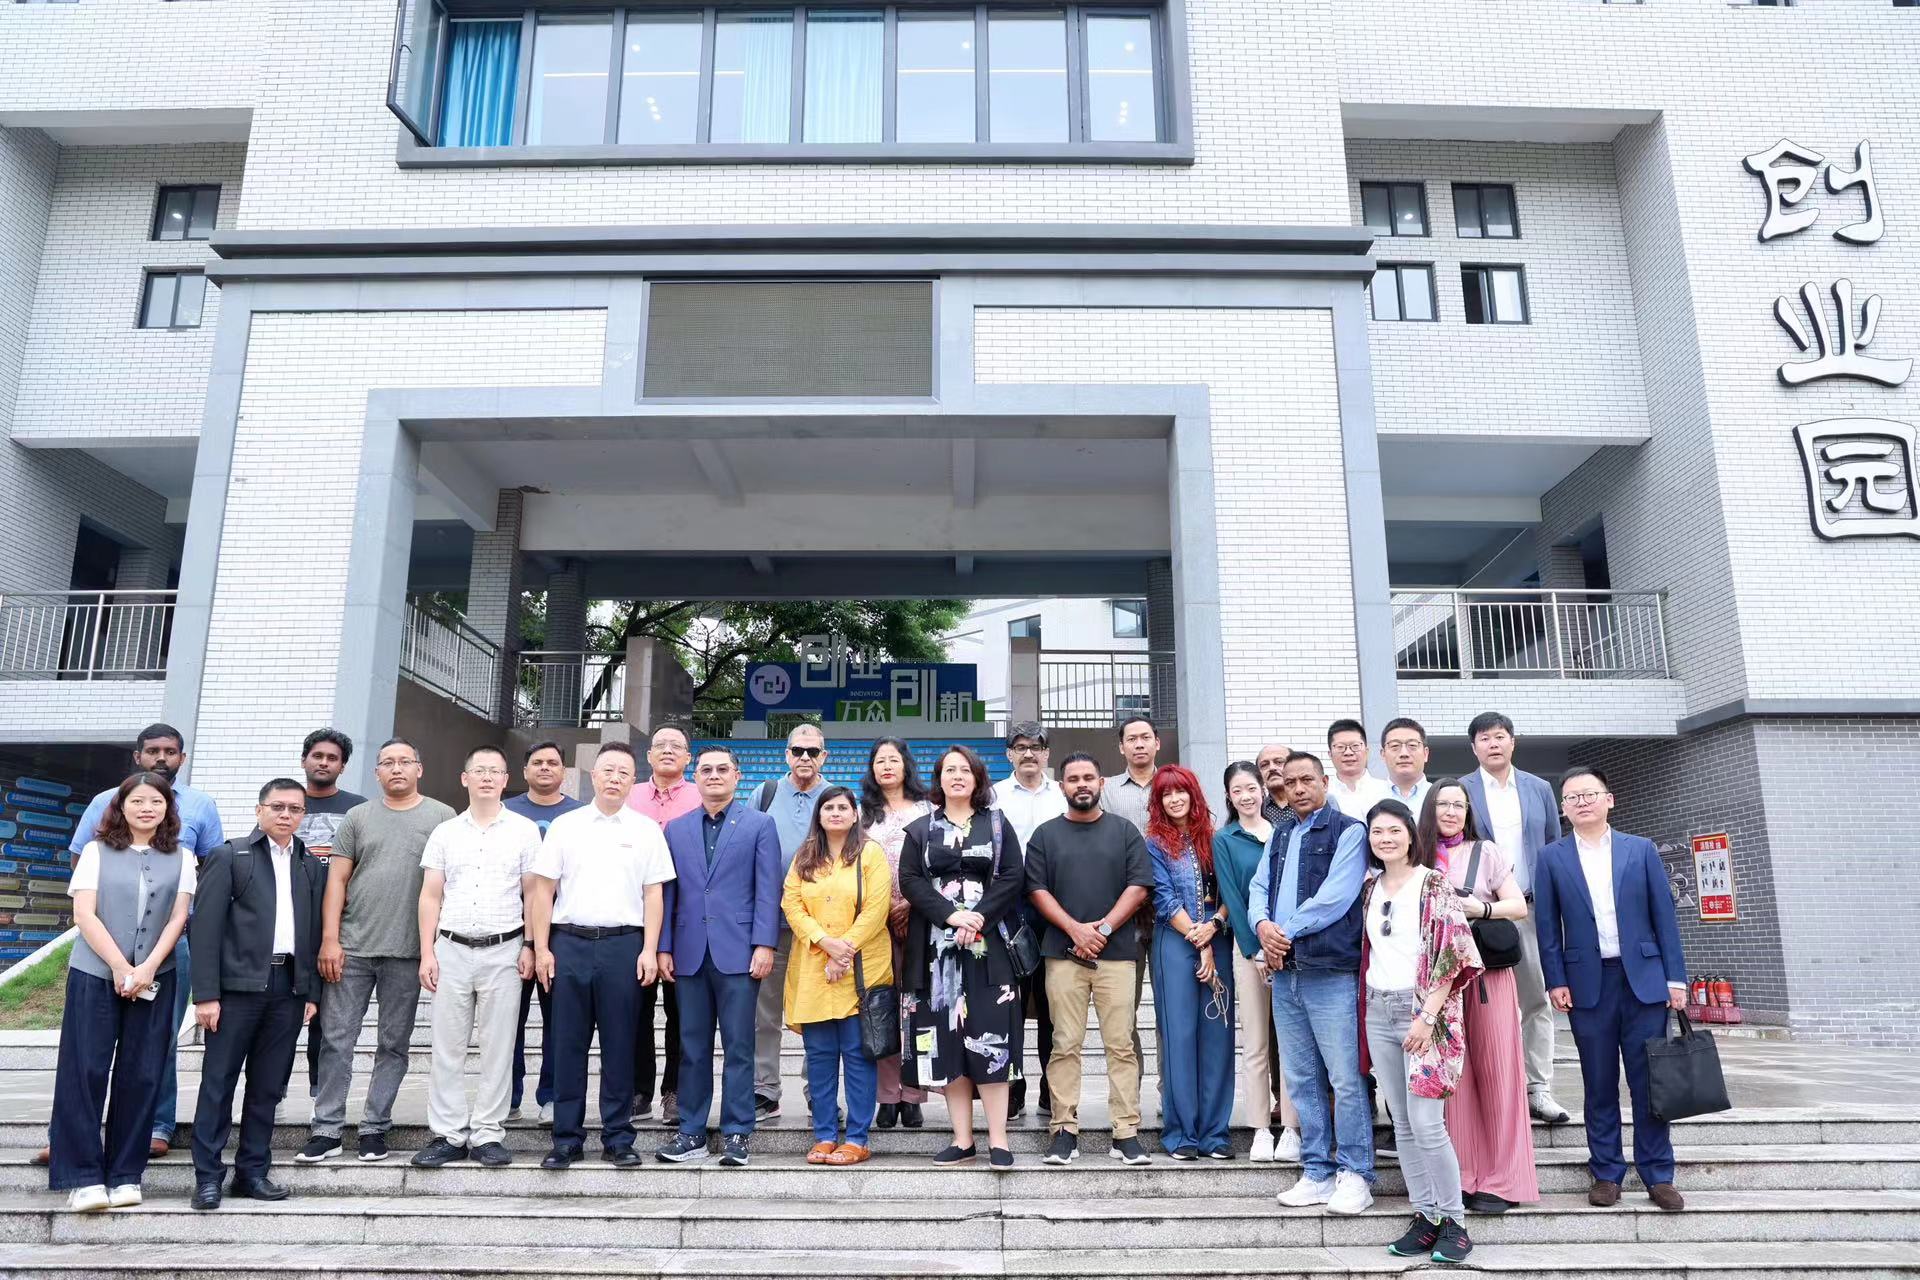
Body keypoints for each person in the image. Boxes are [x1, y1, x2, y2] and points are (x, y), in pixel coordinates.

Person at [55, 724, 224, 1165]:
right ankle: (70, 1138)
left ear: (182, 757)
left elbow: (212, 868)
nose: (161, 758)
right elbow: (82, 863)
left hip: (168, 946)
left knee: (155, 1044)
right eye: (152, 751)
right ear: (137, 756)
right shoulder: (104, 802)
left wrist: (158, 955)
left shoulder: (201, 805)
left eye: (170, 751)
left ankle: (156, 1126)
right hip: (102, 945)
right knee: (85, 1054)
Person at [1536, 767, 1689, 1213]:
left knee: (1650, 1083)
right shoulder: (1551, 857)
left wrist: (1675, 979)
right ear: (1563, 809)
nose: (1582, 802)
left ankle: (1658, 1174)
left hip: (1644, 980)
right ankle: (1606, 1172)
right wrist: (1555, 979)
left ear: (1609, 799)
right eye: (1572, 797)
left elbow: (1664, 916)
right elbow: (1547, 927)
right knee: (1598, 1082)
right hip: (1587, 983)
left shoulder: (1640, 850)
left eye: (1590, 794)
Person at [301, 739, 454, 1165]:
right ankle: (326, 1129)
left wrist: (434, 947)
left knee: (394, 1044)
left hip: (408, 951)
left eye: (405, 761)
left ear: (419, 768)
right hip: (352, 948)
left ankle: (374, 1127)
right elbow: (336, 881)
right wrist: (330, 938)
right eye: (388, 762)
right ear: (376, 772)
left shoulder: (443, 817)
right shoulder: (358, 816)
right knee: (336, 1041)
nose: (397, 768)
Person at [49, 773, 194, 1211]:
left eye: (156, 801)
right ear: (121, 806)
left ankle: (126, 1174)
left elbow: (178, 918)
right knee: (85, 1070)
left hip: (156, 975)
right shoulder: (96, 851)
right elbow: (84, 914)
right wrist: (119, 966)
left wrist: (146, 968)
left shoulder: (183, 857)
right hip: (95, 973)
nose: (147, 808)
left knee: (143, 1073)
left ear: (168, 809)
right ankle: (83, 1177)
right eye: (137, 801)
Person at [527, 742, 674, 1170]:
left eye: (623, 772)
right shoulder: (566, 826)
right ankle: (566, 1139)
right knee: (567, 1044)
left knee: (620, 1044)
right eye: (608, 770)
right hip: (568, 943)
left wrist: (649, 949)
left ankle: (618, 1137)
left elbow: (653, 895)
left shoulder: (646, 830)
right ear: (593, 775)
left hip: (624, 946)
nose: (614, 778)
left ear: (633, 780)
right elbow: (543, 891)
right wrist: (541, 948)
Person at [188, 780, 324, 1210]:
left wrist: (309, 991)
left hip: (288, 989)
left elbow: (313, 931)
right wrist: (205, 994)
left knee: (267, 1087)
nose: (286, 815)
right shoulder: (231, 856)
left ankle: (252, 1172)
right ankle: (208, 1177)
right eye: (278, 806)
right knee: (218, 1085)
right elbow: (204, 927)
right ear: (259, 810)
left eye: (295, 809)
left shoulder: (308, 863)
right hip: (236, 990)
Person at [1358, 800, 1482, 1266]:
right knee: (1403, 1123)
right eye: (1377, 832)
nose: (1385, 838)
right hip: (1378, 1008)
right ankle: (1425, 1215)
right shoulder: (1370, 887)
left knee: (1428, 1123)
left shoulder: (1433, 883)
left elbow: (1454, 953)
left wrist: (1427, 1016)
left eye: (1394, 830)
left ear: (1411, 834)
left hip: (1423, 1013)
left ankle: (1455, 1222)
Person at [1251, 751, 1374, 1215]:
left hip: (1330, 972)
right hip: (1287, 974)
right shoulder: (1281, 833)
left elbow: (1335, 897)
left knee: (1345, 1078)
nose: (1299, 788)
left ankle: (1356, 1173)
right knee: (1302, 1079)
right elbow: (1258, 888)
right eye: (1291, 782)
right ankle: (1317, 1171)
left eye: (1307, 779)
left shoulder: (1349, 831)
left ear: (1325, 781)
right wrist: (1262, 926)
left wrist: (1281, 932)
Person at [411, 746, 542, 1169]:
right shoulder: (445, 833)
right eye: (479, 770)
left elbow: (533, 894)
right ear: (464, 778)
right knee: (446, 1046)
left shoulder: (524, 831)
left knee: (498, 1047)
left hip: (505, 949)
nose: (487, 777)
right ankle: (448, 1133)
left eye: (495, 771)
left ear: (506, 780)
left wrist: (530, 945)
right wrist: (427, 952)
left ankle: (488, 1133)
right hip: (450, 948)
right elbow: (431, 895)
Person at [898, 745, 1027, 1169]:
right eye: (949, 770)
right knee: (946, 1042)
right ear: (939, 778)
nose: (957, 776)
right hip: (935, 954)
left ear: (977, 778)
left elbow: (1012, 877)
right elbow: (911, 881)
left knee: (992, 1039)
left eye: (965, 770)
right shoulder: (920, 829)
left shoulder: (997, 824)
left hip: (989, 950)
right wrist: (952, 916)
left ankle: (999, 1140)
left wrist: (978, 918)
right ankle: (962, 1139)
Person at [1024, 753, 1152, 1167]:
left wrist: (1103, 930)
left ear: (1101, 783)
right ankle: (1063, 1130)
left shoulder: (1124, 831)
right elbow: (1037, 890)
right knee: (1064, 1044)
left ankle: (1126, 1132)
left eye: (1088, 777)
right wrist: (1075, 930)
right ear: (1062, 786)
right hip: (1062, 956)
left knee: (1121, 1045)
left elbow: (1139, 887)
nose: (1082, 784)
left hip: (1117, 956)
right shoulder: (1045, 835)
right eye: (1073, 778)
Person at [656, 746, 781, 1168]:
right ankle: (691, 1131)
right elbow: (669, 893)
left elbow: (768, 888)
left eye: (722, 769)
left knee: (739, 1046)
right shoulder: (676, 829)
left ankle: (737, 1132)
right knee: (691, 1046)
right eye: (706, 769)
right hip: (689, 952)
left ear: (736, 775)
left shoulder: (759, 825)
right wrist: (664, 946)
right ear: (695, 777)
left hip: (739, 951)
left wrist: (764, 944)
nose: (714, 775)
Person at [1422, 777, 1538, 1215]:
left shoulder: (1485, 852)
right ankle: (1465, 1174)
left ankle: (1505, 1179)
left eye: (1459, 805)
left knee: (1498, 1074)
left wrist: (1481, 908)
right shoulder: (1417, 856)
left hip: (1487, 977)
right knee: (1455, 1079)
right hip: (1439, 982)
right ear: (1430, 809)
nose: (1451, 812)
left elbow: (1518, 906)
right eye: (1443, 804)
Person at [1460, 711, 1569, 1124]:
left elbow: (1553, 845)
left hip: (1529, 907)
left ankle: (1538, 1086)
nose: (1493, 744)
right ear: (1474, 747)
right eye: (1485, 738)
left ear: (1512, 742)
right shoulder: (1461, 789)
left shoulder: (1538, 788)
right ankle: (1484, 1088)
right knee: (1478, 1000)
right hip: (1478, 914)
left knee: (1535, 997)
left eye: (1500, 736)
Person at [781, 786, 892, 1166]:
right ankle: (825, 1135)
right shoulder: (805, 855)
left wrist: (843, 950)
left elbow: (877, 908)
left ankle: (858, 1138)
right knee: (820, 1057)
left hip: (860, 970)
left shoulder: (870, 853)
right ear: (819, 814)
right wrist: (824, 942)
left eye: (843, 807)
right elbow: (792, 903)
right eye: (828, 807)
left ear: (855, 813)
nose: (836, 813)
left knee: (859, 1057)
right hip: (815, 969)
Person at [1146, 764, 1234, 1161]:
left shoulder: (1218, 839)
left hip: (1218, 937)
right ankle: (1181, 1133)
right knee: (1178, 1036)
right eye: (1166, 793)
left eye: (1180, 791)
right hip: (1174, 941)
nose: (1174, 799)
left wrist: (1212, 929)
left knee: (1218, 1035)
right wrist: (1199, 941)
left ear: (1194, 794)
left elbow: (1232, 892)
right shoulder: (1154, 844)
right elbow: (1164, 899)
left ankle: (1215, 1133)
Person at [1213, 762, 1298, 1163]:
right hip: (1248, 949)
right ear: (1229, 797)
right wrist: (1255, 949)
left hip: (1289, 946)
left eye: (1251, 788)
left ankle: (1293, 1128)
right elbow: (1232, 896)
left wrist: (1282, 942)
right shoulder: (1225, 839)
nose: (1246, 796)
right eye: (1237, 790)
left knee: (1292, 1042)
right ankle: (1261, 1129)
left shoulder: (1286, 832)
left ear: (1263, 790)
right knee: (1256, 1043)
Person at [751, 723, 832, 1119]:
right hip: (772, 924)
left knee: (816, 1015)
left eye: (812, 752)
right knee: (763, 1014)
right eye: (797, 750)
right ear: (786, 754)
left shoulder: (834, 797)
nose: (804, 757)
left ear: (824, 757)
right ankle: (764, 1089)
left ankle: (818, 1091)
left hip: (819, 929)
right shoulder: (764, 793)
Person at [504, 741, 585, 1124]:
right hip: (511, 929)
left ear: (563, 771)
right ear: (525, 771)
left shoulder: (579, 816)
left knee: (559, 1021)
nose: (545, 768)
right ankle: (509, 1095)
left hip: (562, 933)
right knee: (509, 1020)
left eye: (553, 762)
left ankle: (552, 1096)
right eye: (537, 762)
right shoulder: (506, 812)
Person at [991, 720, 1067, 1120]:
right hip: (1009, 908)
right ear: (1009, 754)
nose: (1028, 754)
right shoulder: (994, 796)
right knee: (1011, 1005)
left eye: (1036, 747)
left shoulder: (1062, 795)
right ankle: (1013, 1089)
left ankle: (1051, 1090)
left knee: (1053, 1003)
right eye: (1020, 747)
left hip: (1056, 908)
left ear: (1046, 753)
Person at [628, 723, 701, 1128]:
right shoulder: (630, 795)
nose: (668, 750)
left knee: (681, 1013)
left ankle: (675, 1091)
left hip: (685, 919)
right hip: (632, 917)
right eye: (661, 745)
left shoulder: (700, 795)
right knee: (635, 1010)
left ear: (689, 757)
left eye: (677, 746)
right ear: (649, 755)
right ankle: (638, 1090)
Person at [858, 737, 933, 1131]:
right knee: (882, 1006)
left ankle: (913, 1094)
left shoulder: (928, 809)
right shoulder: (861, 813)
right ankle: (887, 1095)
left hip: (921, 919)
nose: (887, 766)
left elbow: (937, 864)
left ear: (906, 765)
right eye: (880, 761)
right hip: (874, 924)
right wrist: (883, 908)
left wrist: (912, 904)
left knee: (916, 1006)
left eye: (893, 759)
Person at [294, 728, 365, 1100]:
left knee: (327, 1020)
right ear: (304, 760)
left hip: (339, 926)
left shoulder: (358, 808)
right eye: (317, 756)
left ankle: (318, 1096)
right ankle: (273, 1093)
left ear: (343, 766)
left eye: (332, 758)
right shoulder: (285, 800)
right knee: (282, 1016)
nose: (324, 763)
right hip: (289, 924)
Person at [1325, 719, 1392, 818]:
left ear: (1367, 751)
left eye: (1355, 746)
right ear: (1330, 754)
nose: (1348, 752)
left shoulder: (1387, 790)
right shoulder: (1323, 794)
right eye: (1340, 747)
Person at [1379, 718, 1431, 816]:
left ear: (1425, 754)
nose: (1404, 753)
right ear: (1383, 754)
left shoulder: (1441, 798)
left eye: (1412, 745)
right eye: (1395, 746)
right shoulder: (1369, 799)